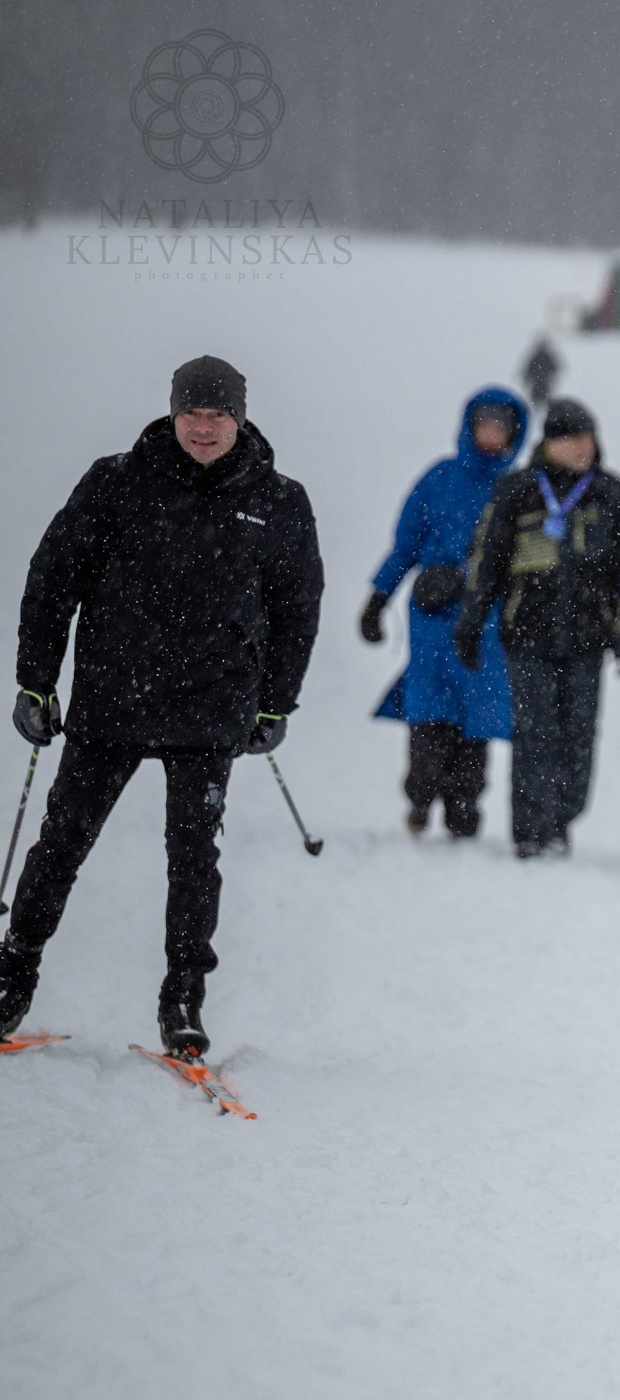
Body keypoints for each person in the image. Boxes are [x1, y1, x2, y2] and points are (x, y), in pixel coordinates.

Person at [0, 356, 324, 1057]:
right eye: (191, 413)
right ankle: (13, 970)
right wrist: (35, 681)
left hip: (211, 709)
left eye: (217, 415)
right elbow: (53, 579)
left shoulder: (278, 500)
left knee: (194, 860)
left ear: (239, 418)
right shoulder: (116, 482)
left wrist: (276, 703)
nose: (203, 428)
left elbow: (297, 609)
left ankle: (182, 998)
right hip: (113, 698)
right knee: (62, 843)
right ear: (173, 412)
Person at [455, 398, 620, 858]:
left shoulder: (609, 492)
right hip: (528, 633)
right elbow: (488, 560)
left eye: (588, 438)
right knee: (534, 732)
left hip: (588, 636)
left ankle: (562, 818)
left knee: (579, 734)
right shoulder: (518, 490)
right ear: (550, 443)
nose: (583, 448)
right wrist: (471, 622)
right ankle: (531, 830)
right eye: (572, 439)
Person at [361, 388, 527, 838]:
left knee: (476, 722)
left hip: (487, 623)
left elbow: (525, 557)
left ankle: (465, 804)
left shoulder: (516, 489)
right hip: (433, 619)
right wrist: (378, 599)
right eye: (484, 424)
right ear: (470, 426)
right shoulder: (440, 478)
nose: (491, 434)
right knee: (430, 718)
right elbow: (406, 544)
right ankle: (419, 796)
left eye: (500, 428)